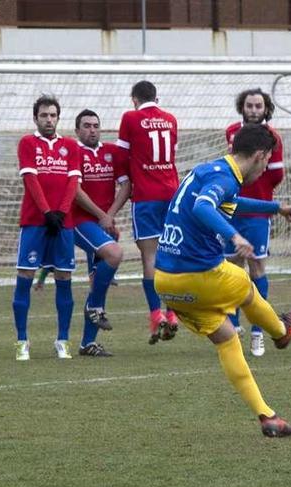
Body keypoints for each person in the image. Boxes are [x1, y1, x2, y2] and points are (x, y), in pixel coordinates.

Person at [153, 123, 291, 437]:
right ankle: (281, 331)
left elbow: (230, 204)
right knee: (245, 284)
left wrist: (277, 207)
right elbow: (203, 206)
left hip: (165, 282)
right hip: (199, 275)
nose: (265, 170)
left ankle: (268, 417)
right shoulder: (224, 178)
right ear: (261, 155)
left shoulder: (210, 171)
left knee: (226, 338)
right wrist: (234, 236)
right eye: (267, 162)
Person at [12, 94, 82, 360]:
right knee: (25, 277)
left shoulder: (70, 146)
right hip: (34, 221)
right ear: (36, 118)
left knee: (64, 278)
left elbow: (72, 183)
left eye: (53, 115)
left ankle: (62, 340)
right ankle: (21, 341)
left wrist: (61, 214)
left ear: (58, 117)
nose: (49, 119)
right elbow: (31, 180)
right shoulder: (27, 143)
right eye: (44, 115)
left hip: (63, 224)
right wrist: (46, 213)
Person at [116, 80, 180, 344]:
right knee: (173, 255)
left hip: (146, 197)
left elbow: (121, 157)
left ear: (134, 99)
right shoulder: (170, 119)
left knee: (150, 257)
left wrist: (124, 180)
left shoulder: (130, 118)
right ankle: (173, 313)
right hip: (171, 194)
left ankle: (156, 314)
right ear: (157, 96)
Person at [223, 88, 285, 357]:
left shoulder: (274, 137)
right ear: (242, 107)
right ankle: (234, 326)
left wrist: (257, 192)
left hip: (257, 213)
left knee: (257, 266)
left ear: (266, 108)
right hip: (231, 209)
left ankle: (258, 332)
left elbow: (276, 175)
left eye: (258, 106)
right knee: (231, 267)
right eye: (249, 105)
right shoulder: (231, 131)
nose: (254, 110)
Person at [72, 109, 132, 356]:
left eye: (95, 125)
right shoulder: (72, 151)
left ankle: (87, 343)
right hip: (79, 221)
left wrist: (110, 215)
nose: (92, 129)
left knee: (100, 281)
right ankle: (95, 306)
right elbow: (76, 192)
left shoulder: (112, 152)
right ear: (77, 130)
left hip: (103, 222)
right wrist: (102, 216)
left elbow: (126, 185)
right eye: (86, 126)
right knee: (115, 254)